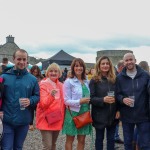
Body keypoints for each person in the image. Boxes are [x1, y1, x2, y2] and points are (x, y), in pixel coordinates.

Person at [1, 49, 40, 150]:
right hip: (7, 120)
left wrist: (30, 101)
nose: (22, 62)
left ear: (27, 61)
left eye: (24, 59)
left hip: (23, 121)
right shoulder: (4, 77)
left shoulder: (32, 79)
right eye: (19, 59)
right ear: (13, 59)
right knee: (6, 147)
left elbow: (37, 96)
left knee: (18, 147)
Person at [116, 53, 150, 150]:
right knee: (128, 143)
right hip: (127, 116)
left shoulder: (145, 75)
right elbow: (117, 94)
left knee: (145, 144)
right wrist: (122, 99)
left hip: (143, 115)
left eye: (131, 59)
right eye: (126, 60)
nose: (129, 62)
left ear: (135, 60)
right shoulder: (119, 78)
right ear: (124, 62)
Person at [89, 56, 119, 150]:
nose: (105, 65)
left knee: (111, 140)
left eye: (107, 63)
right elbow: (91, 99)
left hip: (112, 115)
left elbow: (118, 96)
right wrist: (103, 100)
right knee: (99, 139)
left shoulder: (115, 79)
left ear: (110, 65)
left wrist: (118, 110)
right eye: (103, 63)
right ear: (99, 65)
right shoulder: (94, 80)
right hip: (99, 115)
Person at [62, 58, 92, 150]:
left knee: (82, 140)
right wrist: (80, 101)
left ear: (84, 67)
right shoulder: (68, 81)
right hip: (72, 113)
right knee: (70, 140)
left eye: (81, 66)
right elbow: (66, 101)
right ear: (73, 68)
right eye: (76, 66)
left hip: (85, 112)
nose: (79, 68)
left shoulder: (87, 81)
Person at [36, 63, 65, 150]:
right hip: (46, 119)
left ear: (59, 73)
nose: (53, 73)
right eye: (51, 71)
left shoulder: (61, 85)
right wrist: (51, 95)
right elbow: (43, 104)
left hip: (57, 118)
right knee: (47, 146)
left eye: (56, 71)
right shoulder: (43, 84)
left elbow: (63, 103)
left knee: (53, 144)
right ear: (47, 73)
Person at [29, 65, 44, 130]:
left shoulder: (41, 78)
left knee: (38, 111)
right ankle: (31, 124)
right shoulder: (29, 77)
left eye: (36, 72)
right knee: (31, 111)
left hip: (40, 95)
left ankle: (38, 123)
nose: (35, 73)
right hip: (31, 96)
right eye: (34, 72)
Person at [114, 60, 124, 144]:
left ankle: (116, 136)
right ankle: (115, 137)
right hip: (117, 104)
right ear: (121, 67)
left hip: (120, 103)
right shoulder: (117, 77)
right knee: (116, 122)